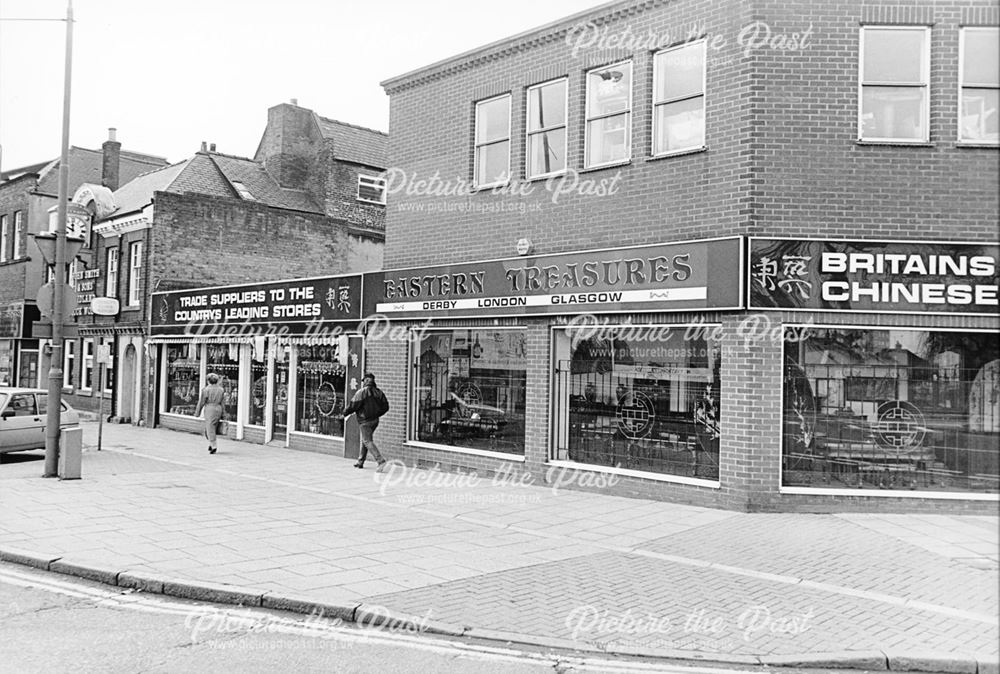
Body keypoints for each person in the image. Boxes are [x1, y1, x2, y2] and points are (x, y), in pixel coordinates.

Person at [342, 372, 390, 472]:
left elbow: (353, 405)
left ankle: (380, 460)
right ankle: (360, 461)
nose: (363, 383)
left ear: (368, 380)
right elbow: (386, 407)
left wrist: (345, 412)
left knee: (367, 441)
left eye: (364, 381)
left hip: (365, 421)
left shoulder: (361, 392)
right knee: (366, 440)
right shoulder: (379, 392)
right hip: (375, 421)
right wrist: (377, 414)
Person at [195, 373, 226, 454]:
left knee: (210, 427)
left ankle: (213, 445)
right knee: (213, 426)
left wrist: (197, 412)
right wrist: (224, 413)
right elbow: (223, 403)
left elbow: (201, 402)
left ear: (208, 381)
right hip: (218, 408)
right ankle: (210, 444)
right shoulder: (221, 390)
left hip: (210, 409)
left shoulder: (206, 390)